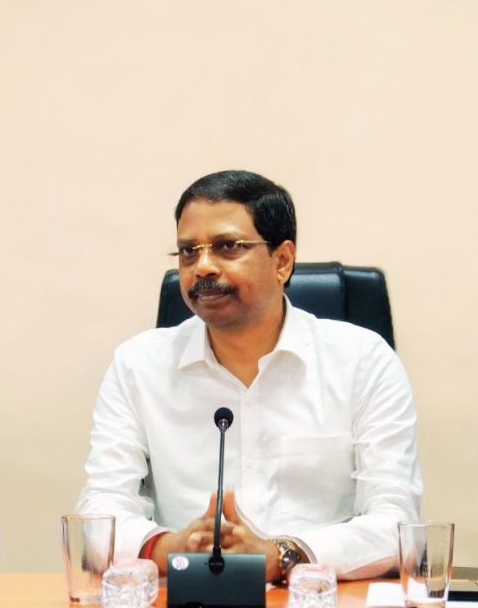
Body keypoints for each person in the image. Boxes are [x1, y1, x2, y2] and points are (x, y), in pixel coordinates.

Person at [75, 170, 422, 583]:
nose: (203, 267)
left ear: (282, 261)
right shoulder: (138, 365)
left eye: (228, 247)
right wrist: (172, 548)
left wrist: (283, 555)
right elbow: (99, 516)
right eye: (188, 252)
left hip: (318, 603)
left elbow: (397, 524)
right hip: (187, 601)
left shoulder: (362, 362)